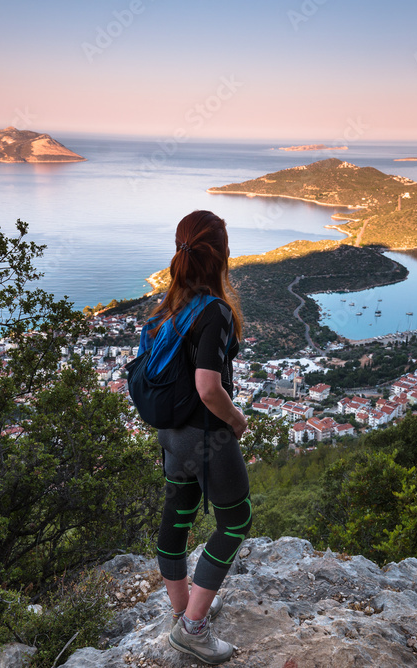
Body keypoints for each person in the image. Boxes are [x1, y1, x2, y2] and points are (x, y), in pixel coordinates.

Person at [152, 210, 250, 665]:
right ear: (222, 254)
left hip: (170, 435)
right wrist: (235, 420)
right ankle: (193, 629)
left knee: (179, 517)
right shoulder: (214, 311)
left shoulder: (167, 305)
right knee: (235, 522)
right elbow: (209, 387)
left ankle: (180, 614)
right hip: (205, 436)